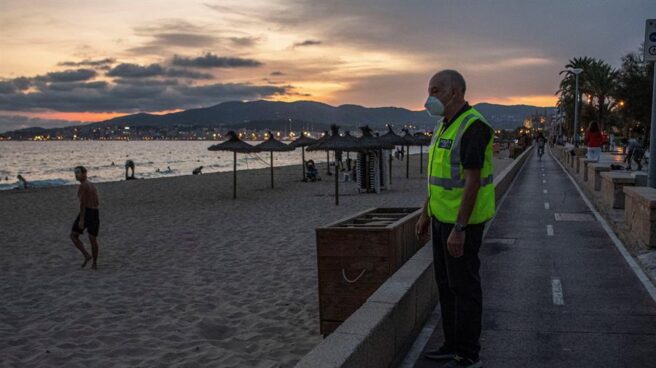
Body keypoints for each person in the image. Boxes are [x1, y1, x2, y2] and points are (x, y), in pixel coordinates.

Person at [416, 70, 494, 368]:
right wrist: (426, 213)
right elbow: (438, 179)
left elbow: (472, 182)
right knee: (446, 285)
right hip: (440, 219)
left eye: (435, 91)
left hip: (463, 224)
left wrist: (459, 228)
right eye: (429, 90)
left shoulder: (474, 126)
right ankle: (451, 344)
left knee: (465, 289)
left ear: (455, 93)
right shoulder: (442, 127)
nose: (429, 98)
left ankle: (468, 354)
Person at [70, 166, 100, 270]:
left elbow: (82, 204)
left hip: (87, 212)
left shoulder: (83, 186)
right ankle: (94, 264)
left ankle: (87, 255)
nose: (76, 175)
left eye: (78, 173)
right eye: (75, 173)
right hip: (95, 211)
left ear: (84, 173)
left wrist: (82, 219)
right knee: (92, 239)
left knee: (73, 235)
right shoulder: (91, 184)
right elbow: (97, 201)